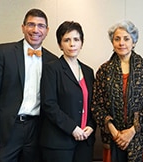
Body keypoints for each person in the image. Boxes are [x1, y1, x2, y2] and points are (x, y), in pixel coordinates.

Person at [0, 9, 58, 162]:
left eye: (41, 26)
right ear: (23, 27)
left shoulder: (53, 61)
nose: (36, 30)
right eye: (31, 24)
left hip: (37, 130)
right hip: (7, 130)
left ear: (47, 31)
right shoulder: (3, 52)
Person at [91, 20, 143, 162]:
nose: (121, 43)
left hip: (141, 140)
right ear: (112, 43)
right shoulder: (104, 70)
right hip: (112, 138)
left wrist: (132, 131)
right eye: (117, 39)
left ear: (134, 42)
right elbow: (97, 105)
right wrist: (115, 132)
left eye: (126, 39)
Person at [39, 21, 96, 162]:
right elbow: (49, 104)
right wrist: (72, 128)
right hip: (59, 142)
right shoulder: (52, 68)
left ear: (81, 43)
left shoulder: (88, 71)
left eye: (76, 39)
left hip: (85, 141)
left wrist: (91, 125)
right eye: (66, 40)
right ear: (60, 44)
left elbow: (94, 104)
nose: (72, 44)